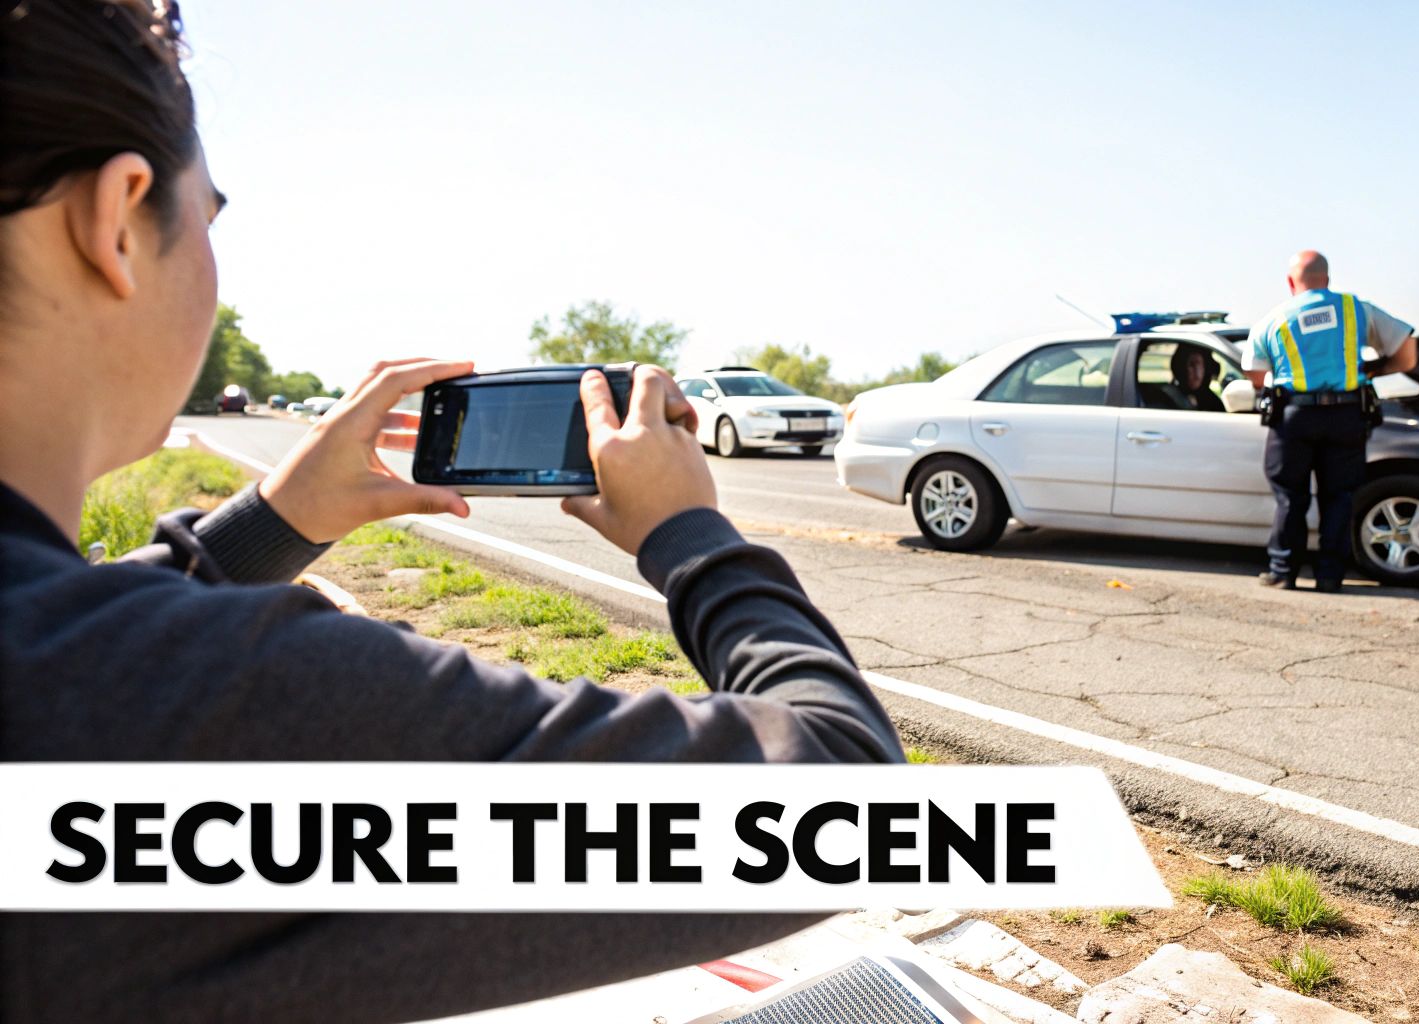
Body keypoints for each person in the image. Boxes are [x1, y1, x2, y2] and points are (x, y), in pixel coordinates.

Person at [0, 3, 901, 1021]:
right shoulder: (210, 699)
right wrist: (690, 540)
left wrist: (276, 520)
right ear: (116, 220)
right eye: (206, 219)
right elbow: (847, 806)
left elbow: (69, 636)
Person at [1243, 251, 1416, 592]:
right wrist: (1371, 369)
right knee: (1339, 497)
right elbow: (1408, 354)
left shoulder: (1274, 318)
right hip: (1346, 416)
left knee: (1291, 497)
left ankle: (1283, 572)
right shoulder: (1356, 310)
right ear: (1327, 278)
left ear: (1292, 282)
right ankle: (1329, 576)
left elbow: (1255, 372)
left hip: (1295, 416)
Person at [1154, 345, 1225, 412]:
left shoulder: (1212, 401)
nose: (1197, 371)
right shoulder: (1169, 397)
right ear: (1181, 368)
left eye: (1199, 364)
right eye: (1191, 364)